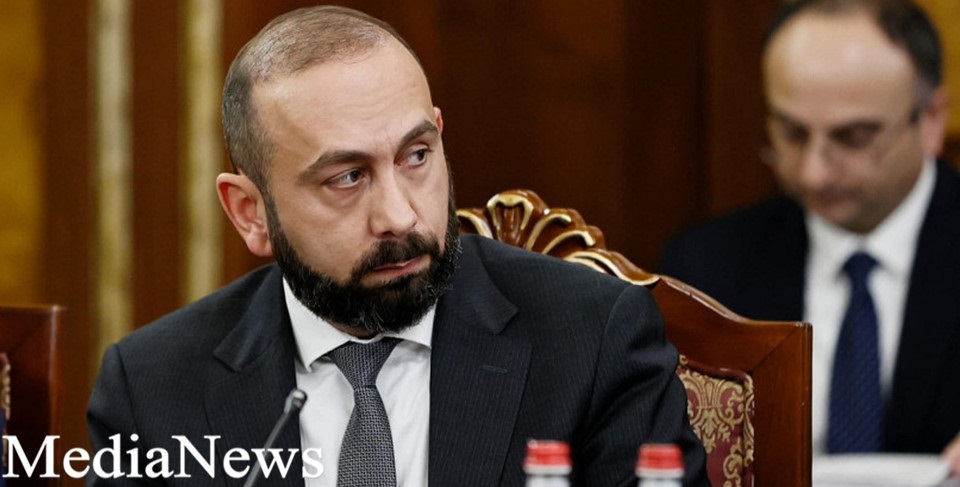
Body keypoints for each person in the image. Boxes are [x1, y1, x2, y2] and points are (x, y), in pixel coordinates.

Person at [86, 5, 707, 486]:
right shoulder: (152, 389)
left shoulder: (592, 340)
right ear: (251, 213)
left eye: (416, 156)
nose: (400, 215)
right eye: (347, 177)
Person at [659, 0, 960, 473]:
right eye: (792, 134)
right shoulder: (706, 268)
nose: (814, 173)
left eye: (854, 137)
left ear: (931, 119)